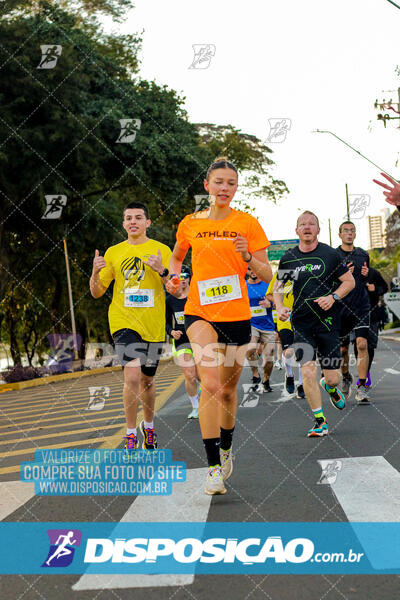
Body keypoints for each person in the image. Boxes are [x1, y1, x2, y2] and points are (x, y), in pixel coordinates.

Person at [167, 157, 272, 495]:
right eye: (219, 182)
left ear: (236, 188)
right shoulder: (189, 224)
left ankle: (226, 447)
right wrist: (174, 277)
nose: (224, 188)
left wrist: (247, 258)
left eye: (230, 183)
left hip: (237, 314)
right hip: (199, 311)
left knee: (228, 390)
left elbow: (268, 274)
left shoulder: (248, 224)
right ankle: (212, 467)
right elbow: (177, 257)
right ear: (207, 186)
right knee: (210, 384)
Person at [236, 211, 355, 437]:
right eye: (303, 224)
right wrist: (279, 307)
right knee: (308, 370)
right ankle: (320, 420)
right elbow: (278, 288)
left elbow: (349, 281)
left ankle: (329, 386)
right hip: (301, 323)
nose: (307, 227)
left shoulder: (329, 255)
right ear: (297, 230)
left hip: (328, 322)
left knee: (332, 376)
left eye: (312, 224)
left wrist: (333, 298)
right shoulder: (290, 258)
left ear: (318, 230)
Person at [90, 202, 172, 451]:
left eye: (138, 217)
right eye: (128, 218)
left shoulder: (162, 250)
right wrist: (94, 273)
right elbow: (96, 292)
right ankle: (129, 433)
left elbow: (175, 288)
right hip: (123, 321)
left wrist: (162, 270)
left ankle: (148, 426)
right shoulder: (114, 252)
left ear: (147, 222)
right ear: (123, 223)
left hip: (154, 324)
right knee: (132, 373)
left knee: (147, 380)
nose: (133, 221)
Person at [336, 221, 371, 404]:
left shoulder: (363, 254)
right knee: (342, 349)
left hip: (361, 305)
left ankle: (362, 386)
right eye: (346, 231)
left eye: (352, 231)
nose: (349, 234)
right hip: (341, 307)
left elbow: (366, 278)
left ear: (355, 235)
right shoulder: (334, 255)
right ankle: (346, 376)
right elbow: (329, 282)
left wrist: (366, 274)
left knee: (362, 344)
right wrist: (342, 274)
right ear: (340, 234)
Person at [166, 265, 200, 418]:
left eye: (186, 275)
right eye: (179, 276)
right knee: (189, 374)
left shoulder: (197, 295)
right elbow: (165, 323)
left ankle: (210, 400)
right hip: (182, 341)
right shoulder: (170, 300)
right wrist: (172, 332)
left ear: (190, 278)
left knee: (202, 376)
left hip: (199, 339)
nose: (183, 279)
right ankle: (196, 407)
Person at [266, 270, 305, 398]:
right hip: (285, 318)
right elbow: (269, 295)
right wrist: (280, 304)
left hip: (302, 318)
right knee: (288, 352)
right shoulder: (281, 273)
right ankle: (289, 375)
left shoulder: (306, 271)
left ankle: (301, 385)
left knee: (301, 353)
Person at [353, 266, 389, 387]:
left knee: (370, 346)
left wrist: (375, 289)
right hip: (356, 314)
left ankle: (366, 372)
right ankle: (361, 375)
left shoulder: (373, 273)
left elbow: (385, 287)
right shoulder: (351, 272)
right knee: (359, 344)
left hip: (372, 314)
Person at [246, 266, 275, 393]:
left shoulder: (267, 284)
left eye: (255, 269)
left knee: (269, 359)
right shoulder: (243, 287)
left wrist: (271, 304)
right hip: (251, 324)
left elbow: (279, 301)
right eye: (249, 269)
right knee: (251, 348)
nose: (253, 271)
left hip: (268, 326)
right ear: (246, 271)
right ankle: (255, 375)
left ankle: (266, 379)